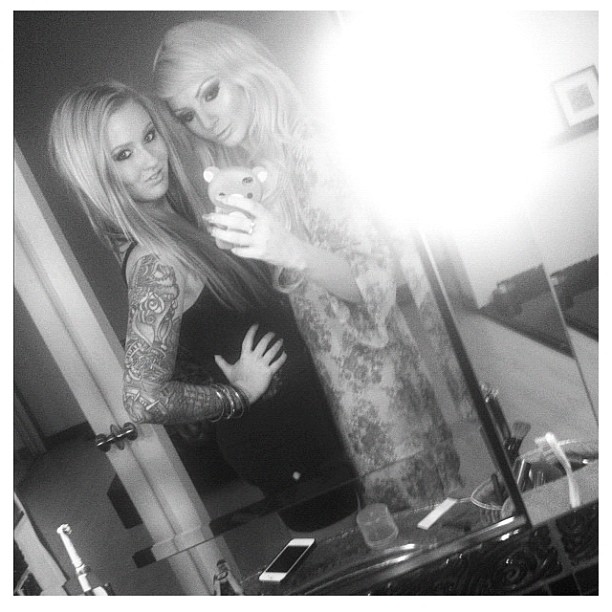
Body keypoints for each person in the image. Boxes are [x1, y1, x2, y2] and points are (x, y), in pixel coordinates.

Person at [153, 20, 465, 512]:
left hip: (370, 379)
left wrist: (286, 248)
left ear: (242, 69)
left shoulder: (308, 146)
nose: (206, 121)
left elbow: (373, 282)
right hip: (324, 389)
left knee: (422, 517)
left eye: (210, 92)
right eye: (188, 114)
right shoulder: (253, 166)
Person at [47, 81, 359, 533]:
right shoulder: (154, 261)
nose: (150, 159)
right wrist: (236, 394)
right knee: (354, 550)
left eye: (149, 136)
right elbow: (143, 398)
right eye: (123, 155)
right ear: (97, 175)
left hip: (308, 418)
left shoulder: (177, 221)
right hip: (285, 442)